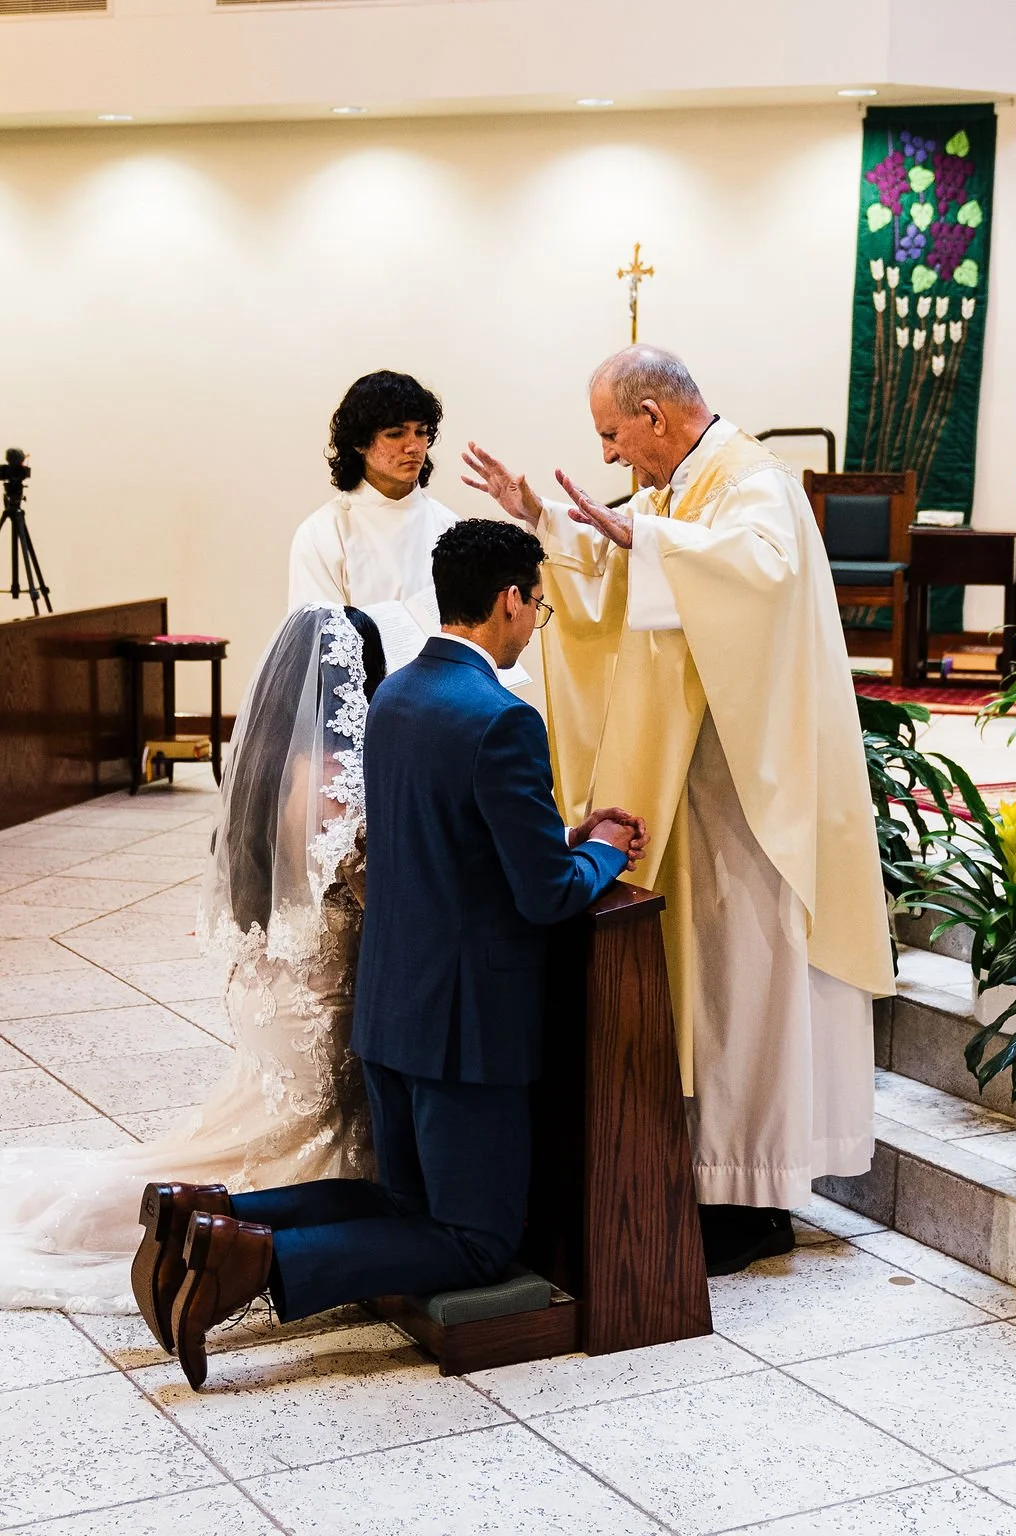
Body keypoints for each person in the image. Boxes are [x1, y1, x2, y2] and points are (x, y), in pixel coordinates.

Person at [131, 519, 647, 1390]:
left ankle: (206, 1216)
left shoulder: (399, 696)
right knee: (476, 1242)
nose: (537, 623)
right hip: (467, 1032)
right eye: (540, 607)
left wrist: (554, 837)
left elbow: (451, 839)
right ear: (512, 600)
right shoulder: (502, 719)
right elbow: (546, 893)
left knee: (403, 1203)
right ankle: (249, 1263)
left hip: (392, 1009)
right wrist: (602, 849)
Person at [461, 345, 895, 1275]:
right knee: (707, 981)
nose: (614, 459)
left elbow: (761, 576)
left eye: (614, 436)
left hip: (749, 795)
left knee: (748, 980)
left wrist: (645, 544)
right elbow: (621, 582)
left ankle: (757, 1197)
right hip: (697, 784)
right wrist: (537, 517)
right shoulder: (677, 493)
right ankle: (710, 1178)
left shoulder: (752, 483)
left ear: (657, 415)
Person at [0, 604, 385, 1316]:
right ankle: (185, 1229)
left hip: (273, 994)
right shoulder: (341, 777)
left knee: (226, 1142)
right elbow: (382, 890)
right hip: (315, 1011)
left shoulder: (270, 756)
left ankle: (153, 1209)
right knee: (307, 1170)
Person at [288, 370, 458, 611]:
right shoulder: (322, 533)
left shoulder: (450, 527)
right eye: (395, 434)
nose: (413, 447)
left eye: (421, 432)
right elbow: (320, 638)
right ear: (359, 442)